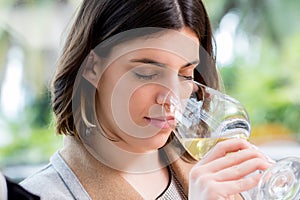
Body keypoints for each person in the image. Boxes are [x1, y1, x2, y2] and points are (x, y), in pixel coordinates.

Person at [20, 0, 273, 199]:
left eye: (186, 75)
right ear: (92, 67)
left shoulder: (222, 174)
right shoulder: (45, 194)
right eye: (147, 73)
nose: (172, 97)